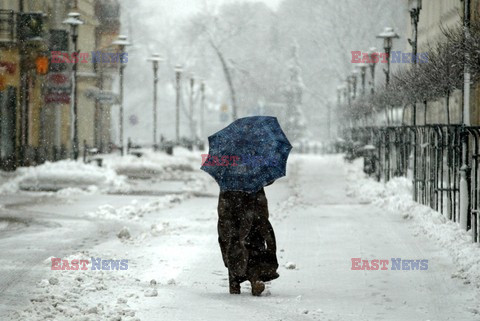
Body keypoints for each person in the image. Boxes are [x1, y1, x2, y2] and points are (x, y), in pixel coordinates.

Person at [217, 187, 279, 296]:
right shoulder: (255, 175)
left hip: (235, 206)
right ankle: (253, 279)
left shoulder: (227, 175)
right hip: (249, 206)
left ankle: (237, 282)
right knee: (247, 244)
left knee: (235, 246)